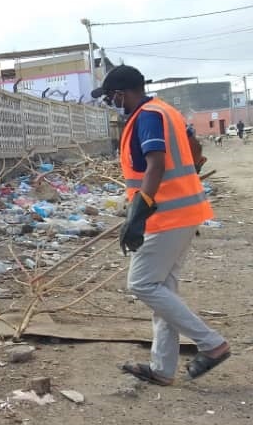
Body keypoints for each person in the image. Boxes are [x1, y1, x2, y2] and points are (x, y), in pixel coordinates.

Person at [91, 65, 230, 386]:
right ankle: (163, 369)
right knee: (162, 290)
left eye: (112, 96)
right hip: (183, 211)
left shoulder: (147, 116)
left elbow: (156, 164)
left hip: (166, 214)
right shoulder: (166, 111)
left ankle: (211, 344)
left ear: (122, 93)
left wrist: (139, 213)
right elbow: (194, 153)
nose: (112, 102)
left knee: (141, 284)